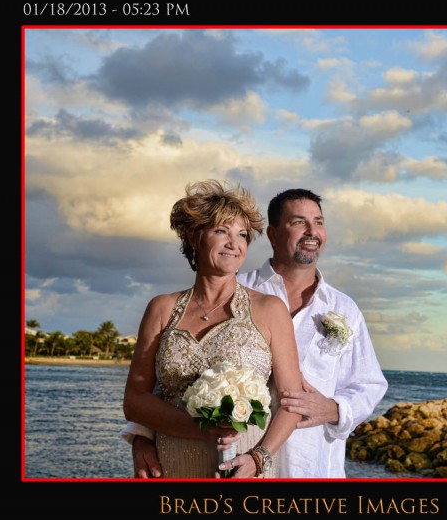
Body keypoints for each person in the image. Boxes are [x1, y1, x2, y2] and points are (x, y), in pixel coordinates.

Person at [123, 188, 388, 478]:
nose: (312, 231)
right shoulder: (239, 286)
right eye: (299, 222)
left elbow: (369, 384)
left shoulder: (343, 308)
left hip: (306, 461)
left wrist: (336, 410)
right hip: (190, 459)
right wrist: (142, 436)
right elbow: (166, 382)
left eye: (319, 222)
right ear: (272, 235)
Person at [122, 180, 303, 478]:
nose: (234, 243)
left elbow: (291, 402)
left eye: (242, 235)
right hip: (170, 466)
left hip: (243, 467)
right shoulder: (162, 308)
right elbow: (135, 400)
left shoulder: (270, 310)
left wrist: (259, 458)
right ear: (194, 237)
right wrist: (192, 430)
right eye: (221, 231)